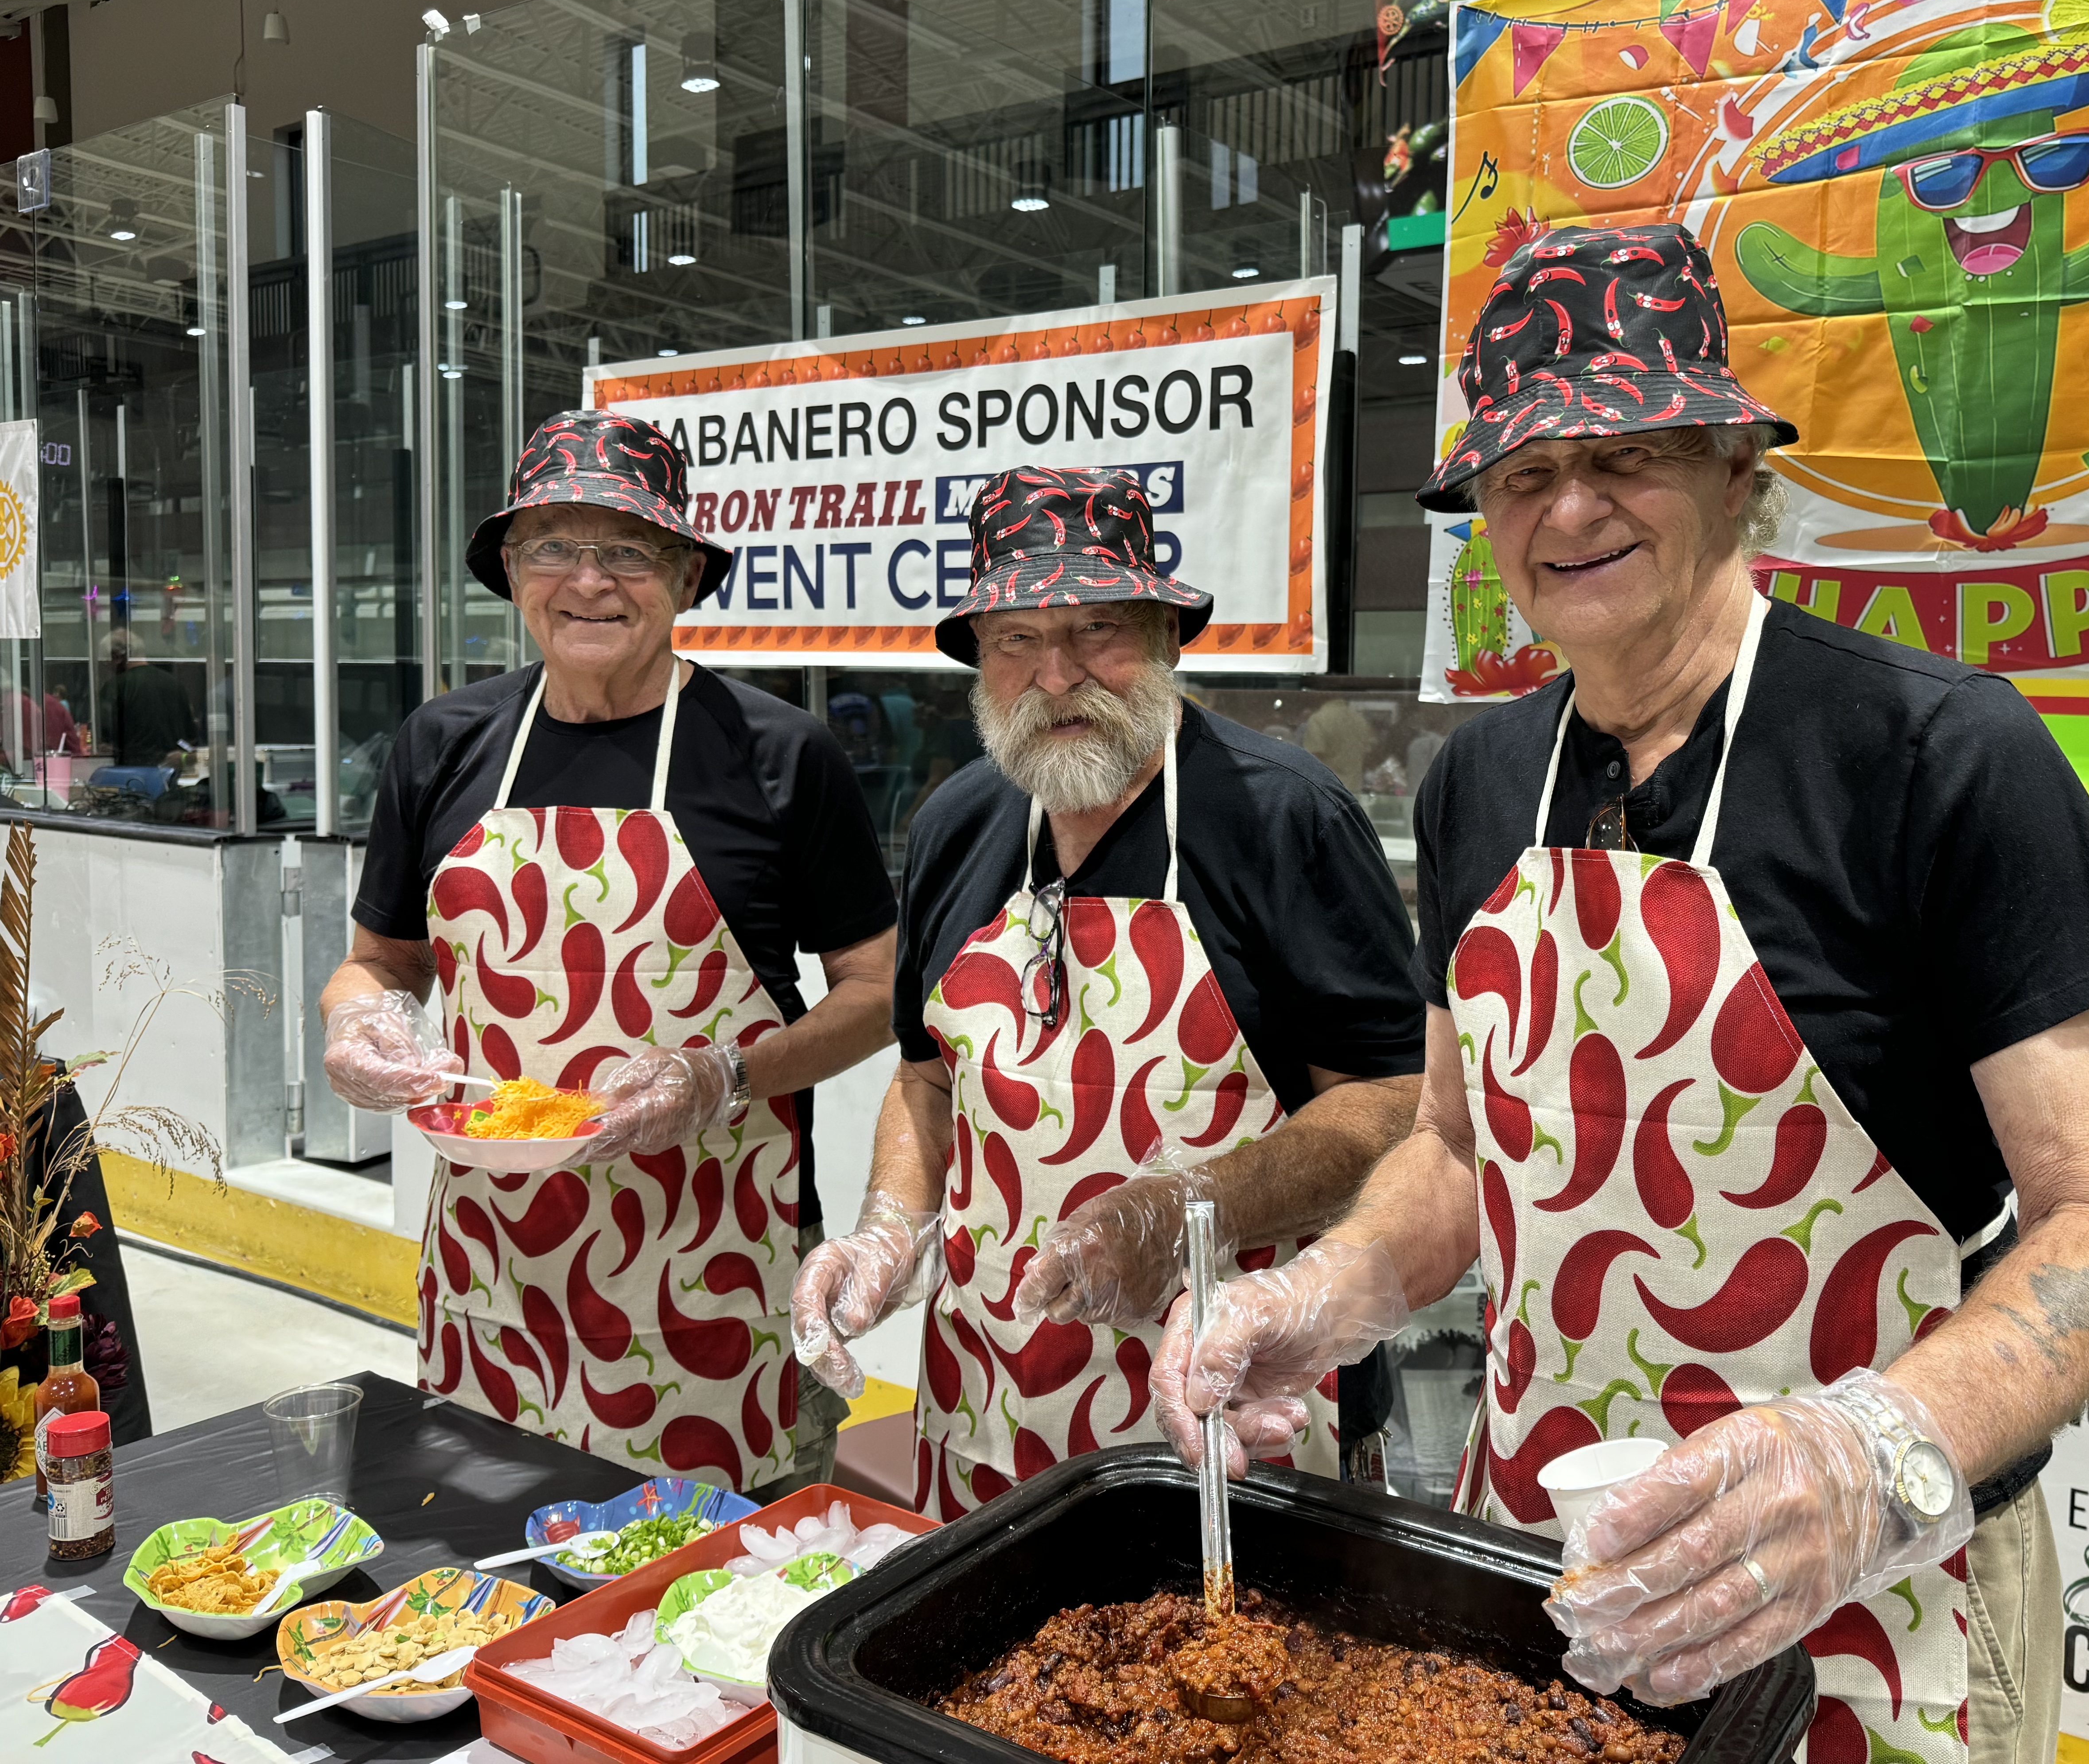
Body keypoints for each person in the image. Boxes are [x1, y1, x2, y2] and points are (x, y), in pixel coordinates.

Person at [1151, 226, 2089, 1764]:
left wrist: (1871, 1452)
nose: (1569, 508)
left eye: (1623, 455)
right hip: (1543, 1558)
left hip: (1882, 1578)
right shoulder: (1477, 784)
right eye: (1522, 473)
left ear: (1734, 469)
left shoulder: (1934, 755)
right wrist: (1322, 1295)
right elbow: (1454, 1148)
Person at [788, 465, 1426, 1519]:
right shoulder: (955, 826)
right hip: (987, 1406)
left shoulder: (1281, 817)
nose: (1057, 675)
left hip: (1236, 1413)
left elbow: (1394, 1102)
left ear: (1166, 637)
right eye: (1017, 640)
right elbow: (926, 1080)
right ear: (980, 659)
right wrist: (888, 1228)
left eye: (1097, 630)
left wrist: (1188, 1212)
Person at [316, 410, 899, 1491]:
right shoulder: (442, 745)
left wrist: (726, 1077)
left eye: (629, 551)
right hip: (497, 1263)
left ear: (684, 576)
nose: (589, 581)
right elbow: (381, 962)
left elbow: (877, 993)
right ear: (512, 572)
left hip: (720, 1260)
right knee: (492, 1555)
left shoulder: (779, 754)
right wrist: (354, 1018)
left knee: (722, 1569)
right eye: (553, 547)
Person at [101, 632, 195, 766]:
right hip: (171, 771)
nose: (108, 666)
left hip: (131, 772)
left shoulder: (115, 688)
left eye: (107, 661)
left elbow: (106, 740)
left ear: (117, 657)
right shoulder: (175, 684)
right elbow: (189, 738)